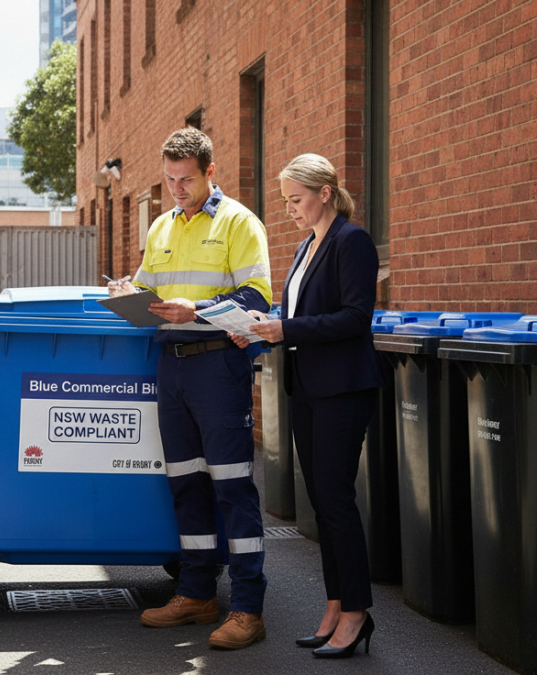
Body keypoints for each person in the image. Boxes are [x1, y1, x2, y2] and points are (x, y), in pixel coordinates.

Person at [107, 127, 272, 650]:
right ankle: (197, 593)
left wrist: (195, 310)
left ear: (209, 173)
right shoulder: (161, 227)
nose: (177, 188)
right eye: (169, 179)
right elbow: (151, 289)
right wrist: (128, 292)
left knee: (232, 487)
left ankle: (247, 607)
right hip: (171, 367)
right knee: (185, 483)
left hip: (218, 366)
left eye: (186, 179)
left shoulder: (239, 222)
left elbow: (256, 298)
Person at [232, 153, 382, 659]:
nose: (289, 209)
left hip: (343, 389)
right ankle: (336, 605)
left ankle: (357, 612)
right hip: (308, 388)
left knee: (336, 500)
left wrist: (286, 329)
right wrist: (259, 326)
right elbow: (297, 315)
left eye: (296, 199)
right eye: (285, 201)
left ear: (324, 192)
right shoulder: (303, 249)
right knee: (321, 502)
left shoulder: (351, 241)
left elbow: (357, 317)